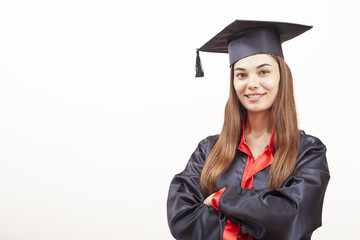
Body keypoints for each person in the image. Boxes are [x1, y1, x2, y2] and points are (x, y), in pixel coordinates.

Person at [166, 20, 330, 240]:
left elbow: (293, 218)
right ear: (233, 82)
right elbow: (182, 218)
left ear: (282, 77)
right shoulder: (208, 150)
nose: (251, 83)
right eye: (241, 75)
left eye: (263, 72)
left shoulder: (308, 152)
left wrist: (222, 198)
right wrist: (260, 218)